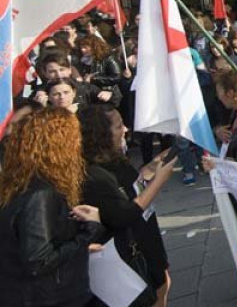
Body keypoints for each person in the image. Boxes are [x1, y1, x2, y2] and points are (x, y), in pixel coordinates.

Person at [0, 107, 103, 307]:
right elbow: (38, 260)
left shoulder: (17, 184)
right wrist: (86, 233)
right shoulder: (40, 193)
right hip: (51, 298)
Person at [79, 105, 176, 306]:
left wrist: (151, 169)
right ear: (100, 135)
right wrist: (159, 181)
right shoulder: (94, 175)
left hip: (148, 240)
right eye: (118, 126)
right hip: (130, 255)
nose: (125, 130)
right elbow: (121, 214)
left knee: (163, 286)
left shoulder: (116, 160)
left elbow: (131, 187)